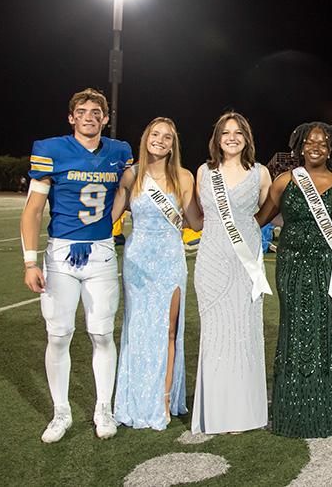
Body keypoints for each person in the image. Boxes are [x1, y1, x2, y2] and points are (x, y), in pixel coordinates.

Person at [19, 88, 134, 443]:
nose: (89, 116)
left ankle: (103, 407)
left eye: (96, 111)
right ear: (71, 117)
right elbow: (34, 210)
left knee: (101, 333)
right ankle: (61, 411)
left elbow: (125, 191)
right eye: (82, 111)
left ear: (105, 118)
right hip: (61, 255)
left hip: (100, 253)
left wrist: (109, 224)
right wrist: (29, 261)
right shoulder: (51, 149)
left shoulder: (120, 152)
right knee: (59, 334)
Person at [256, 122, 332, 438]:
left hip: (327, 265)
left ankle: (320, 413)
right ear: (300, 146)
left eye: (323, 143)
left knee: (322, 330)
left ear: (331, 149)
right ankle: (289, 412)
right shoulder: (284, 181)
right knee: (293, 330)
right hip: (291, 266)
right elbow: (259, 220)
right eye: (310, 142)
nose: (316, 147)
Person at [191, 111, 273, 434]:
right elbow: (198, 216)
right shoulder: (203, 172)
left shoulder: (261, 173)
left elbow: (267, 214)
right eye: (226, 132)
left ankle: (243, 413)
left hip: (245, 266)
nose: (232, 137)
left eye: (238, 132)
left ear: (247, 138)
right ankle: (216, 412)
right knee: (215, 336)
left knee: (244, 335)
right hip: (211, 264)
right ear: (217, 138)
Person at [111, 117, 195, 430]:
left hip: (170, 260)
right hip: (137, 261)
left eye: (168, 137)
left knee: (168, 330)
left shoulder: (184, 177)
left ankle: (163, 398)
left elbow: (195, 221)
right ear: (146, 137)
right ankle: (135, 398)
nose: (160, 140)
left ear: (174, 145)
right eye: (155, 134)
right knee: (137, 329)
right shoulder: (132, 175)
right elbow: (111, 217)